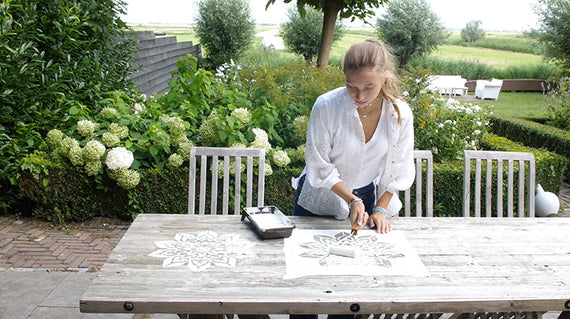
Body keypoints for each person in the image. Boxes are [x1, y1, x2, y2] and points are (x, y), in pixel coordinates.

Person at [293, 38, 415, 237]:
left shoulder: (399, 114)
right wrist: (351, 200)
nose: (360, 96)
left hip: (366, 198)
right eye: (351, 86)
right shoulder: (326, 106)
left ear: (384, 77)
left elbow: (397, 169)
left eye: (369, 87)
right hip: (319, 200)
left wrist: (380, 209)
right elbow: (319, 165)